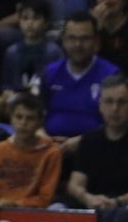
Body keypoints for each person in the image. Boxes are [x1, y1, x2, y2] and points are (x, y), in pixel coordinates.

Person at [67, 74, 128, 209]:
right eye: (109, 102)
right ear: (100, 106)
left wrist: (118, 202)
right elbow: (75, 184)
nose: (115, 109)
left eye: (121, 102)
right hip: (93, 208)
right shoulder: (89, 140)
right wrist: (88, 198)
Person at [0, 91, 62, 207]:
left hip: (34, 213)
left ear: (40, 122)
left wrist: (15, 205)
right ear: (11, 118)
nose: (23, 123)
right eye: (18, 117)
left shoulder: (51, 153)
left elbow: (45, 198)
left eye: (30, 118)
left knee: (57, 207)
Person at [42, 11, 119, 139]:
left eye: (84, 38)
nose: (78, 45)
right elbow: (36, 114)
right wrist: (43, 137)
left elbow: (116, 124)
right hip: (50, 147)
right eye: (72, 38)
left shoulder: (111, 75)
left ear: (96, 41)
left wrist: (81, 142)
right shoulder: (50, 73)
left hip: (96, 148)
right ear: (63, 40)